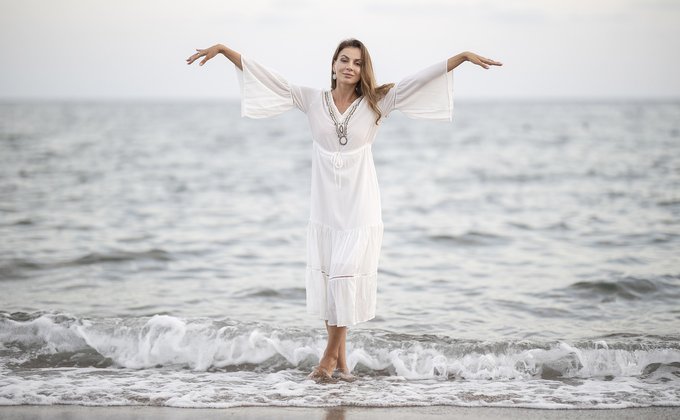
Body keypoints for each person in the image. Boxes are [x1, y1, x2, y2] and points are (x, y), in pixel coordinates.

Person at [187, 38, 501, 383]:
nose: (350, 66)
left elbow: (418, 80)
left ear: (362, 70)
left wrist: (461, 58)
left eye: (357, 62)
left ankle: (326, 360)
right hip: (325, 210)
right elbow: (269, 78)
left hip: (360, 209)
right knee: (330, 286)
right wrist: (222, 50)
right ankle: (343, 364)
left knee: (342, 281)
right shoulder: (312, 100)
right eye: (344, 59)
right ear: (333, 65)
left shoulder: (378, 101)